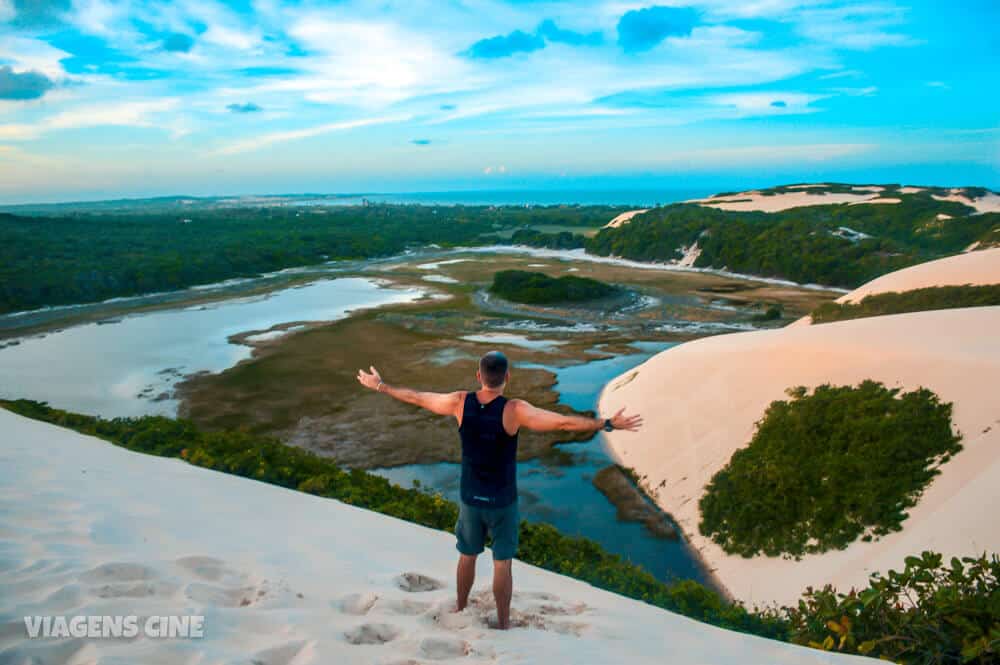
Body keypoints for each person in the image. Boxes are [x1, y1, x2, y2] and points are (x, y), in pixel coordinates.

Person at [356, 350, 642, 629]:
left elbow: (417, 398)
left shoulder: (459, 402)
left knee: (467, 556)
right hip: (503, 501)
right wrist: (606, 424)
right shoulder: (514, 410)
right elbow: (563, 423)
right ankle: (503, 622)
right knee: (502, 564)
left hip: (470, 498)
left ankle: (460, 606)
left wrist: (380, 385)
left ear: (478, 375)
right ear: (507, 376)